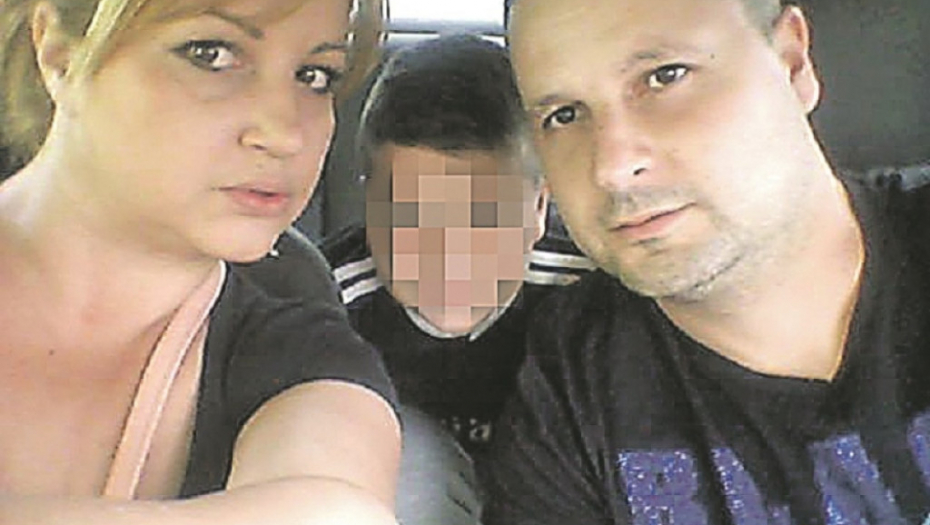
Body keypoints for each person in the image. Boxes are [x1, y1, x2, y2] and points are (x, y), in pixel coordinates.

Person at [484, 0, 930, 523]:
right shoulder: (567, 397)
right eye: (563, 116)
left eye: (664, 77)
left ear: (791, 63)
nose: (612, 167)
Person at [0, 1, 401, 524]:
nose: (285, 135)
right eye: (210, 54)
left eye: (315, 76)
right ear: (59, 55)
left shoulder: (304, 359)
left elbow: (336, 514)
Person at [320, 34, 591, 524]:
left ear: (538, 209)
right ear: (368, 210)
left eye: (484, 218)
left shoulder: (588, 293)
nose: (448, 255)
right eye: (410, 218)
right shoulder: (329, 303)